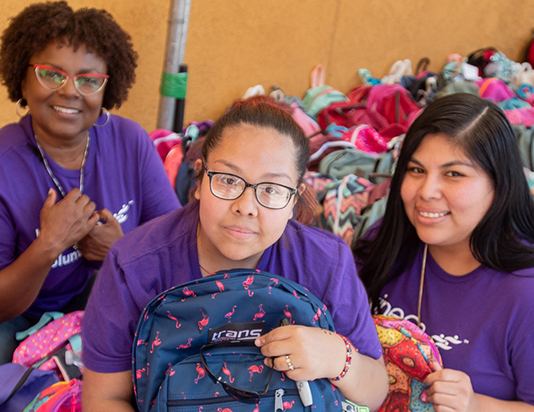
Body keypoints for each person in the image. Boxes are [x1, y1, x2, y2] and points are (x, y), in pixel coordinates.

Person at [0, 1, 180, 381]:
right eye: (51, 75)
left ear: (107, 88)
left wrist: (120, 251)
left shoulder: (131, 144)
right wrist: (50, 244)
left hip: (77, 288)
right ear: (22, 80)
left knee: (149, 368)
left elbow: (175, 250)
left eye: (89, 80)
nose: (70, 91)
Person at [79, 97, 388, 411]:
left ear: (295, 199)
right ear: (199, 179)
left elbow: (375, 391)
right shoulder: (134, 265)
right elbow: (105, 399)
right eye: (227, 180)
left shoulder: (325, 264)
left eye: (271, 189)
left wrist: (339, 358)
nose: (246, 207)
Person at [355, 93, 534, 412]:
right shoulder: (387, 246)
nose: (426, 192)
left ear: (499, 185)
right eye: (416, 170)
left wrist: (476, 406)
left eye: (454, 174)